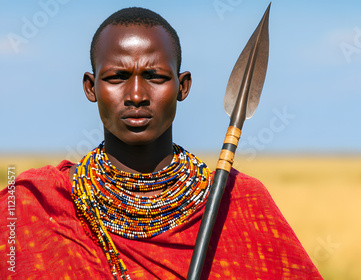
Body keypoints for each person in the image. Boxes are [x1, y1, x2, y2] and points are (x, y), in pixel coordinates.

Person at [0, 7, 323, 280]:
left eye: (155, 77)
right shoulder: (32, 207)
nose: (137, 96)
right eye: (116, 77)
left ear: (183, 87)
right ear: (91, 87)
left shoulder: (238, 202)